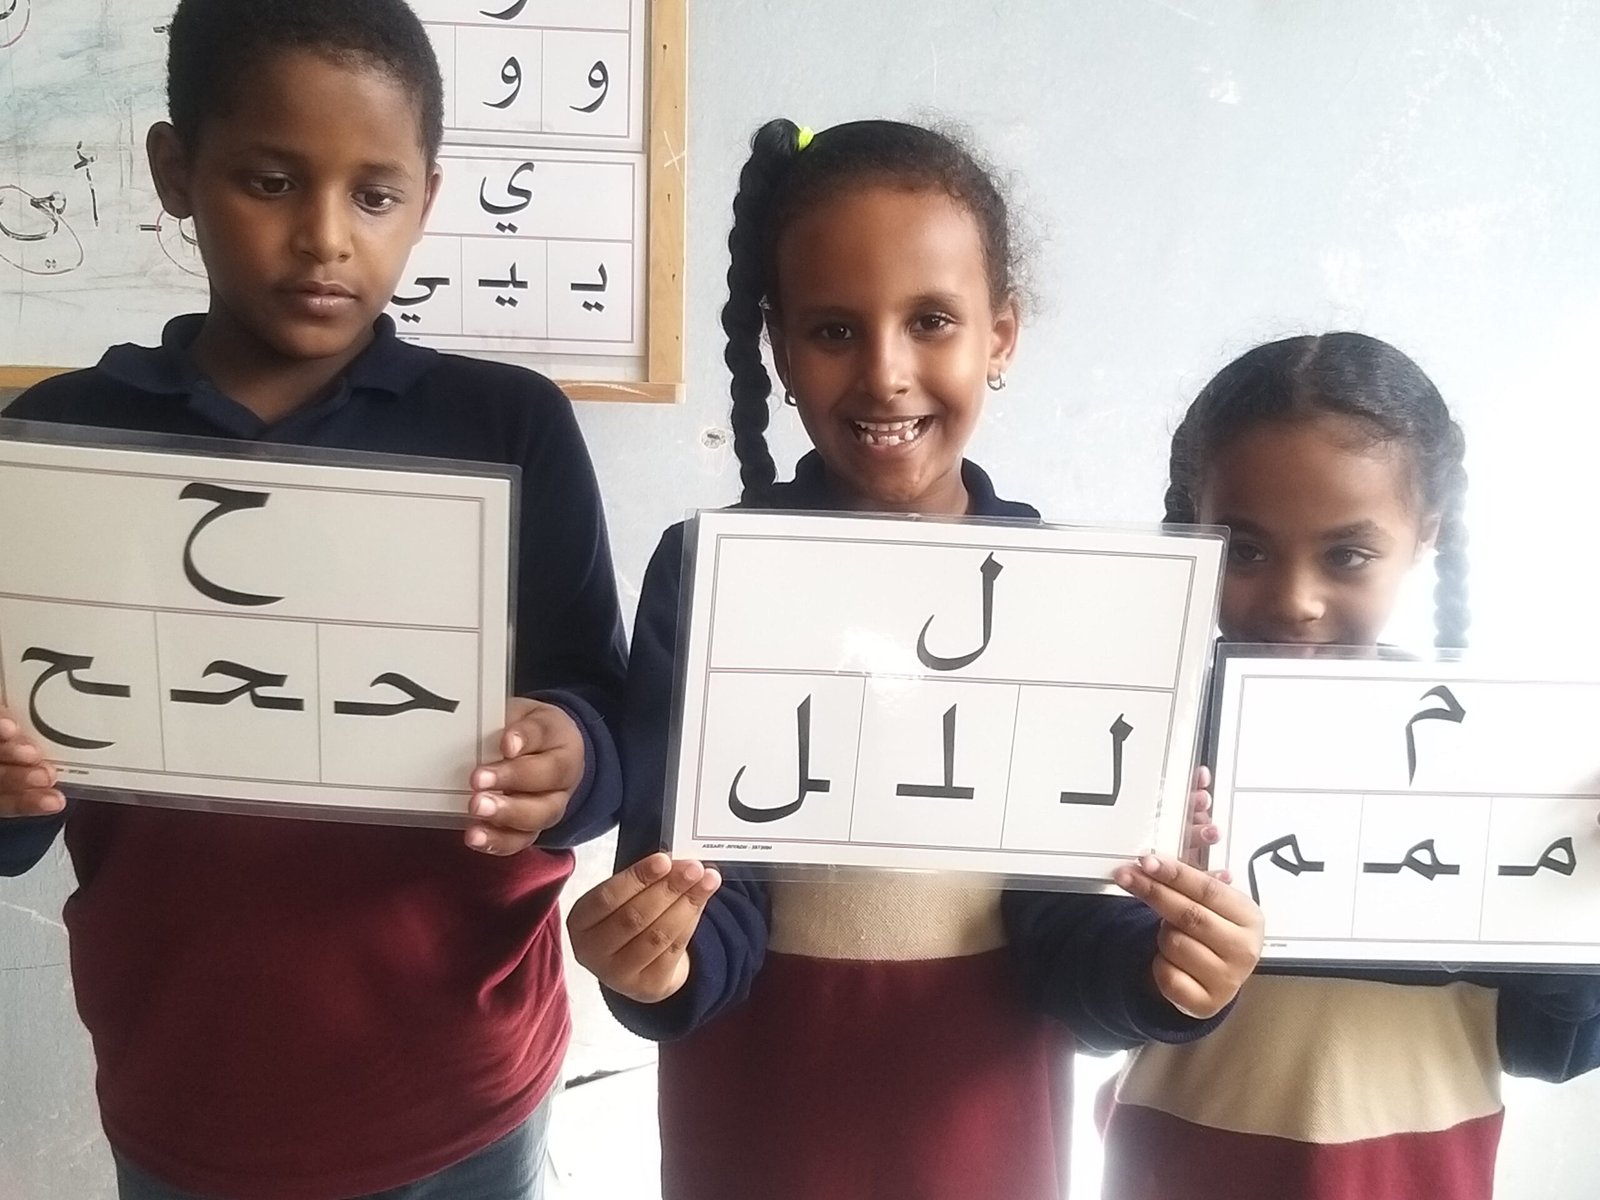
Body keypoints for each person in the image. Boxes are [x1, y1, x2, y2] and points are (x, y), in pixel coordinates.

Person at [566, 117, 1264, 1200]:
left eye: (931, 321)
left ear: (1001, 335)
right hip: (763, 1114)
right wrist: (658, 962)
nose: (886, 372)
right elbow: (689, 877)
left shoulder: (1074, 597)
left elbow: (1075, 924)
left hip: (978, 1120)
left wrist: (1166, 975)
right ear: (778, 344)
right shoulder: (706, 574)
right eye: (833, 330)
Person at [0, 1, 626, 1196]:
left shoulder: (509, 427)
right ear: (175, 172)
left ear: (428, 198)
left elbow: (600, 715)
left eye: (374, 195)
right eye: (271, 182)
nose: (325, 237)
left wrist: (574, 758)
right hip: (190, 1098)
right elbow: (21, 804)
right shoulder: (60, 445)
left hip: (471, 1086)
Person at [1100, 332, 1600, 1200]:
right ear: (1196, 531)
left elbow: (1549, 1046)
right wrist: (1158, 963)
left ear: (1425, 535)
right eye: (1247, 550)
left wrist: (1580, 901)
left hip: (1415, 1172)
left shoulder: (1500, 762)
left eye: (1347, 555)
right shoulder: (1136, 740)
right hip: (1183, 1162)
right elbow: (1069, 991)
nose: (1296, 601)